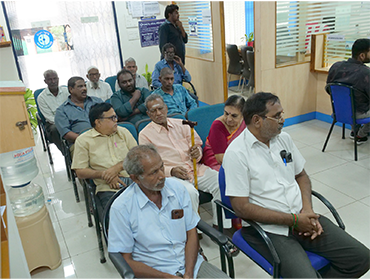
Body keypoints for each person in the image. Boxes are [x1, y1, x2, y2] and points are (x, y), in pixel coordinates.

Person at [223, 92, 370, 278]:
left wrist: (307, 211)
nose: (282, 120)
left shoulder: (284, 139)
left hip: (301, 217)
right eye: (276, 116)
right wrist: (293, 221)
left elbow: (302, 176)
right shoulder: (237, 153)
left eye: (282, 114)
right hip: (267, 229)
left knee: (362, 258)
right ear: (257, 120)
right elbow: (241, 208)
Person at [108, 145, 229, 279]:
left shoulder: (177, 189)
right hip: (154, 273)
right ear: (135, 178)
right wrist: (168, 277)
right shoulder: (121, 208)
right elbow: (126, 260)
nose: (161, 176)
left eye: (161, 167)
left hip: (191, 265)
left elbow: (191, 232)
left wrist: (188, 273)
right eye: (153, 173)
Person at [139, 94, 231, 229]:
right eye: (153, 111)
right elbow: (149, 165)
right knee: (190, 193)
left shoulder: (182, 123)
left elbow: (198, 145)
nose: (158, 113)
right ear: (148, 114)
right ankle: (193, 233)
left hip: (196, 169)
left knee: (222, 182)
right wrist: (171, 171)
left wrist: (197, 153)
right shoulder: (145, 135)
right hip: (172, 176)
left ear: (166, 108)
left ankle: (221, 227)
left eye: (160, 108)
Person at [71, 103, 137, 211]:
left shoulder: (123, 132)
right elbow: (80, 171)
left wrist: (118, 167)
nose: (116, 120)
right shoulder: (83, 140)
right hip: (108, 187)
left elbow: (138, 156)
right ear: (98, 122)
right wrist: (105, 175)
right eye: (112, 118)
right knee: (116, 218)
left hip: (135, 180)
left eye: (115, 116)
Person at [327, 38, 370, 144]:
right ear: (362, 56)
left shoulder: (336, 67)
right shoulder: (365, 73)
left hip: (340, 111)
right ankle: (360, 134)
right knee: (359, 104)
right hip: (359, 113)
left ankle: (354, 130)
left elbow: (329, 89)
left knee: (352, 102)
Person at [203, 95, 246, 171]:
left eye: (234, 116)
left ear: (243, 115)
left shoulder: (245, 123)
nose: (229, 119)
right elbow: (221, 159)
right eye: (226, 113)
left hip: (238, 158)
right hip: (217, 162)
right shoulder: (217, 126)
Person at [55, 76, 103, 144]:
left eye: (85, 86)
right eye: (80, 86)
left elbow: (110, 118)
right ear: (71, 89)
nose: (84, 89)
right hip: (80, 143)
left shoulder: (97, 101)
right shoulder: (62, 111)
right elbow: (66, 133)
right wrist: (86, 140)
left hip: (104, 137)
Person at [37, 70, 69, 153]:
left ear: (58, 79)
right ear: (45, 81)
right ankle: (66, 153)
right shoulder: (42, 97)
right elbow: (49, 117)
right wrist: (63, 123)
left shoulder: (66, 91)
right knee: (55, 129)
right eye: (50, 79)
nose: (53, 81)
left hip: (69, 118)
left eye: (55, 78)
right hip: (53, 123)